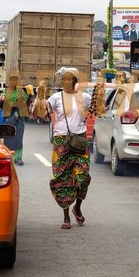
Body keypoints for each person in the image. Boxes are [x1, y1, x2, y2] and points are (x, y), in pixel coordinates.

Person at [46, 68, 92, 229]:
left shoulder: (85, 98)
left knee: (83, 177)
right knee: (62, 180)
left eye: (67, 79)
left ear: (74, 81)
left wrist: (99, 104)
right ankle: (66, 217)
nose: (64, 82)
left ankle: (77, 207)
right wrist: (39, 97)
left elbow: (97, 111)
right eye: (62, 79)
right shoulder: (55, 98)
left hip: (79, 141)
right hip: (61, 143)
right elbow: (42, 112)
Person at [0, 75, 29, 165]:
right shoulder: (5, 92)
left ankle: (18, 158)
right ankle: (8, 157)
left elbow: (26, 103)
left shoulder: (21, 92)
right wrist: (3, 101)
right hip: (8, 118)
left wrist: (29, 96)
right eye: (12, 81)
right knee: (8, 139)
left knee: (18, 139)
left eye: (15, 81)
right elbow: (2, 105)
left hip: (19, 119)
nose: (14, 83)